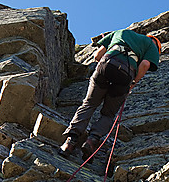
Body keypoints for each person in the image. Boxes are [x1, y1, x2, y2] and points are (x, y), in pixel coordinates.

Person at [60, 29, 161, 158]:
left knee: (89, 104)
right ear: (156, 44)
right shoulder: (151, 45)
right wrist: (133, 83)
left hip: (106, 65)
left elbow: (97, 56)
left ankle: (70, 142)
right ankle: (92, 141)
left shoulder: (121, 32)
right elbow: (145, 64)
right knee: (108, 114)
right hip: (125, 74)